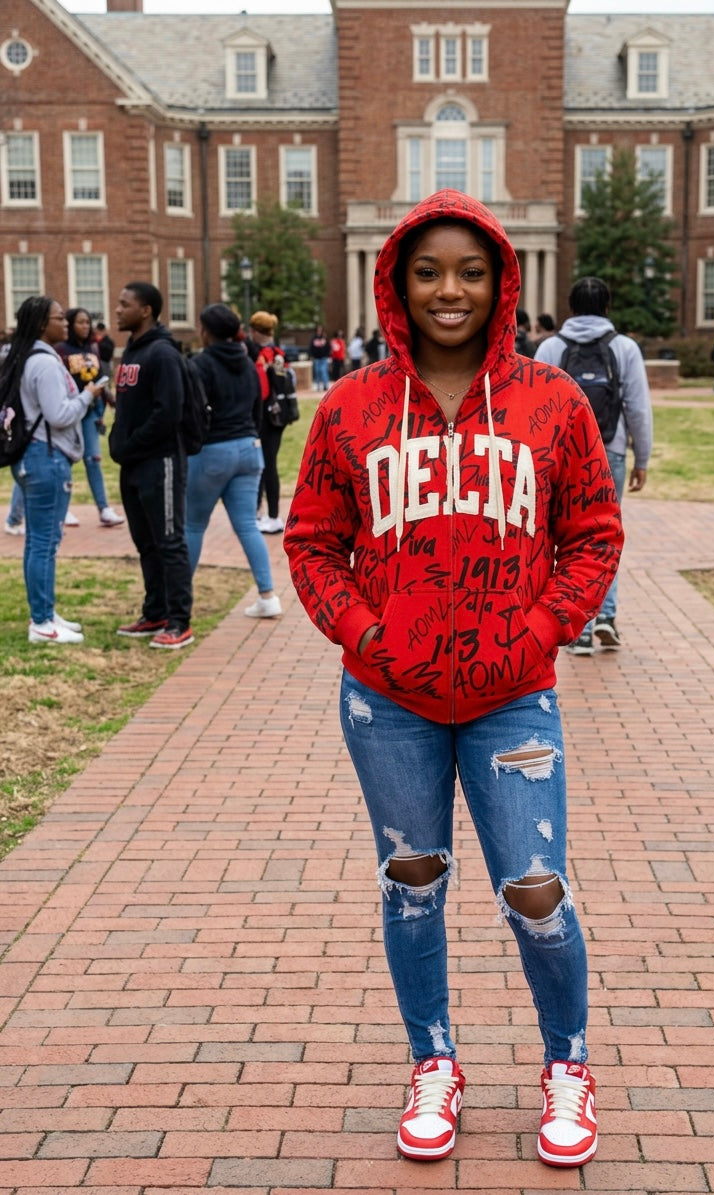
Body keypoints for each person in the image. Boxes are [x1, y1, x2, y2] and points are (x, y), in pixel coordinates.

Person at [283, 189, 623, 1167]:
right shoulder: (350, 406)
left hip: (511, 696)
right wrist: (363, 629)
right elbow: (311, 543)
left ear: (499, 282)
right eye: (428, 270)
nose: (448, 289)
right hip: (386, 700)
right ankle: (432, 1059)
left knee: (534, 886)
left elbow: (591, 534)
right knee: (411, 883)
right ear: (396, 281)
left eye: (469, 271)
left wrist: (544, 628)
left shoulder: (548, 401)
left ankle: (567, 1063)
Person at [535, 276, 652, 653]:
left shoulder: (550, 347)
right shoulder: (625, 348)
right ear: (607, 308)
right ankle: (605, 616)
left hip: (556, 457)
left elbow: (534, 406)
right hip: (610, 450)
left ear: (570, 308)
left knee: (557, 538)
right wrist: (642, 458)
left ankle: (578, 629)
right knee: (603, 535)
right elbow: (638, 406)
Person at [2, 296, 102, 643]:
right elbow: (59, 415)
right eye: (60, 318)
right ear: (43, 323)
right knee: (44, 542)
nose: (65, 322)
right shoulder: (44, 363)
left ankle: (45, 612)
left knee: (40, 541)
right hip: (46, 458)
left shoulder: (21, 355)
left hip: (32, 458)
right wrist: (88, 395)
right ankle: (42, 623)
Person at [109, 281, 194, 650]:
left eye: (124, 304)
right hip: (133, 463)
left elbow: (168, 412)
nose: (117, 310)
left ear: (145, 311)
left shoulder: (162, 354)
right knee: (146, 543)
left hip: (160, 462)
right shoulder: (131, 352)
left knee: (169, 542)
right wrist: (119, 442)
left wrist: (131, 443)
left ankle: (179, 621)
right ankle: (155, 612)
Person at [185, 304, 282, 619]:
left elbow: (193, 411)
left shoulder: (200, 364)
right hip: (249, 448)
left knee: (194, 524)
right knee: (247, 525)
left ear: (205, 331)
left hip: (213, 449)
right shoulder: (248, 362)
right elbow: (258, 405)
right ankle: (268, 595)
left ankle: (178, 598)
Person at [55, 307, 125, 528]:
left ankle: (104, 509)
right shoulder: (60, 350)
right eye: (80, 322)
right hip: (70, 411)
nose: (85, 326)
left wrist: (110, 400)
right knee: (65, 461)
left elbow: (98, 379)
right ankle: (63, 510)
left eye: (88, 322)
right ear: (70, 324)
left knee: (93, 459)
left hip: (91, 413)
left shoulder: (93, 349)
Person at [248, 310, 288, 534]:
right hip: (279, 415)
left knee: (265, 466)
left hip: (265, 417)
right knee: (267, 464)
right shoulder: (279, 352)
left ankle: (270, 515)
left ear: (255, 331)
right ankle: (266, 513)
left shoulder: (262, 355)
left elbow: (262, 391)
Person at [308, 323, 330, 391]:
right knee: (317, 372)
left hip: (323, 358)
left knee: (323, 371)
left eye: (320, 330)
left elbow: (328, 347)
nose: (319, 331)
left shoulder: (324, 338)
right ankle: (317, 386)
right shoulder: (314, 338)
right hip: (316, 358)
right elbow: (311, 347)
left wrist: (327, 355)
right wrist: (311, 355)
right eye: (318, 329)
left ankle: (325, 385)